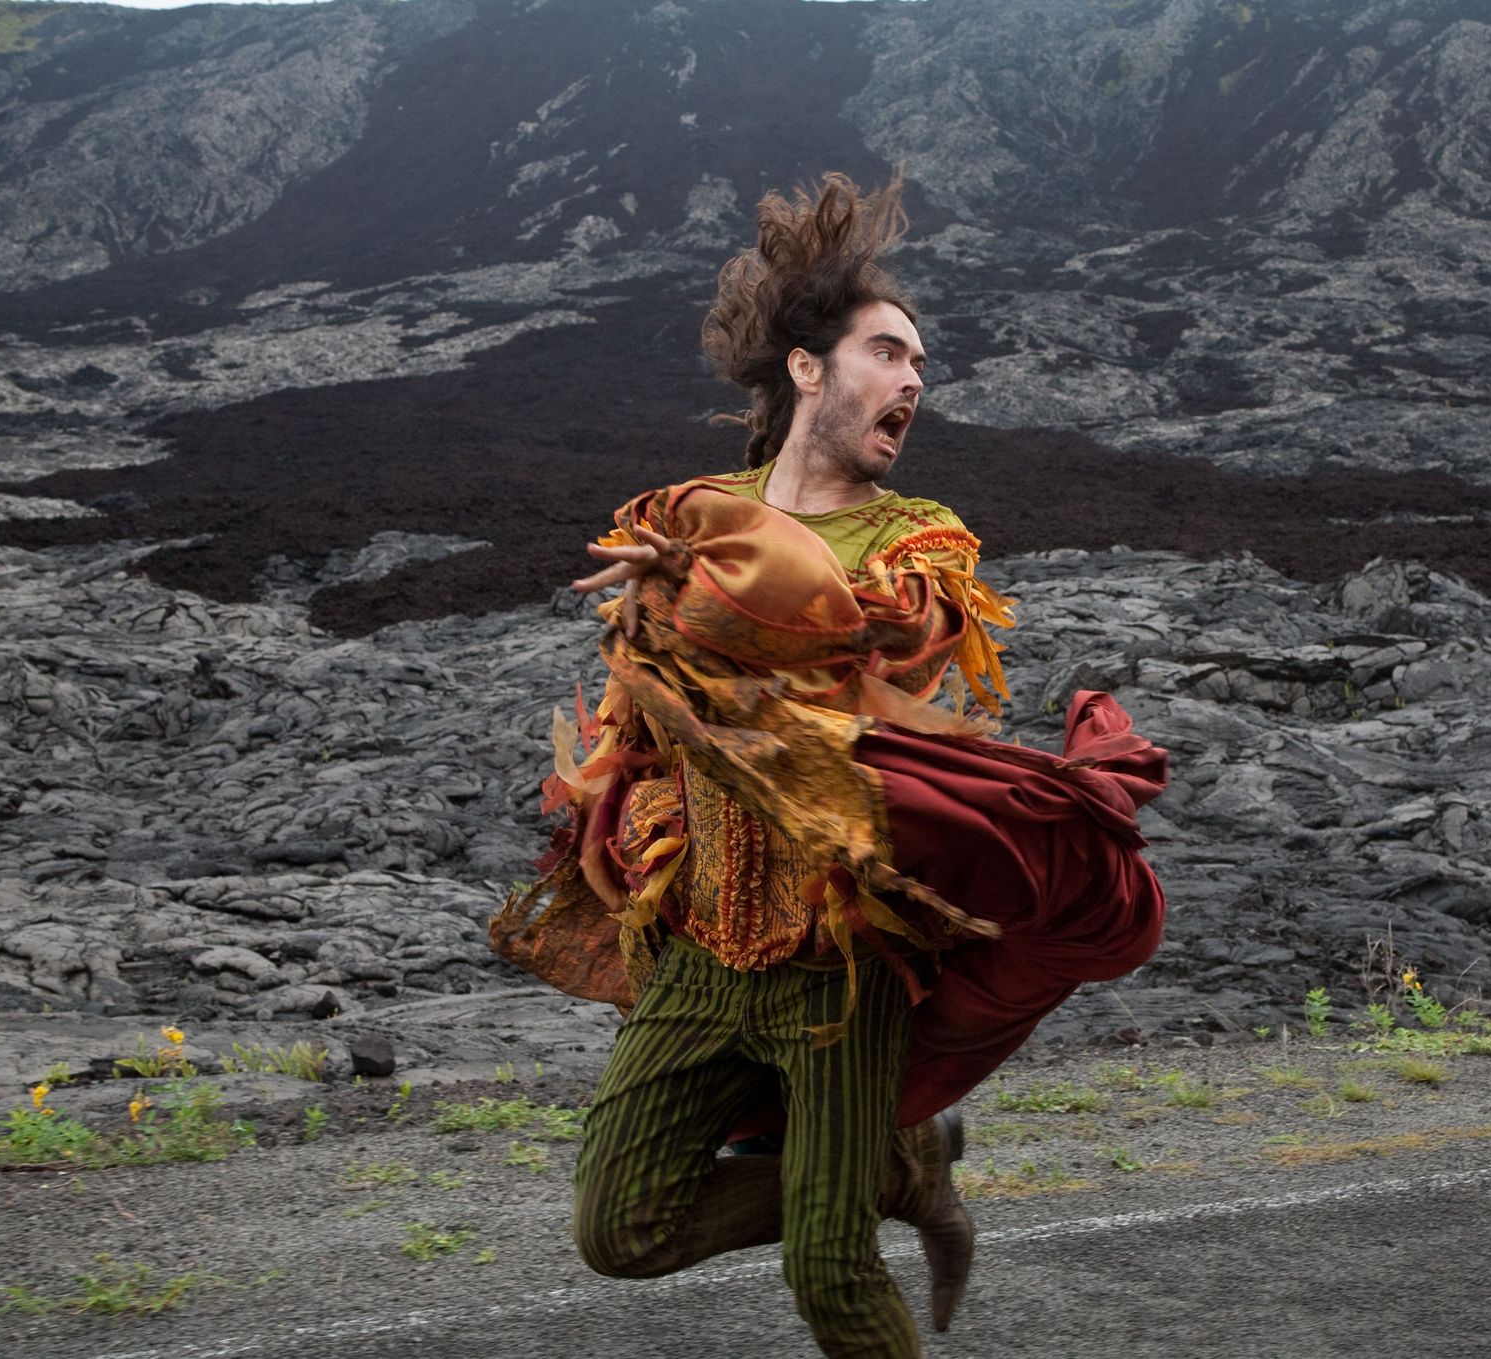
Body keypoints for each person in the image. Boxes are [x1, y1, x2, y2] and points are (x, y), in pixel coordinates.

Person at [490, 172, 1167, 1358]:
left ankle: (860, 1189)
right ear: (807, 368)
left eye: (920, 367)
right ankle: (898, 1174)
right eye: (889, 352)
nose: (914, 380)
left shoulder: (915, 538)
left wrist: (706, 568)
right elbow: (640, 716)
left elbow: (890, 631)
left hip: (837, 967)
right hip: (699, 953)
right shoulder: (686, 515)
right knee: (620, 1229)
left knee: (829, 1273)